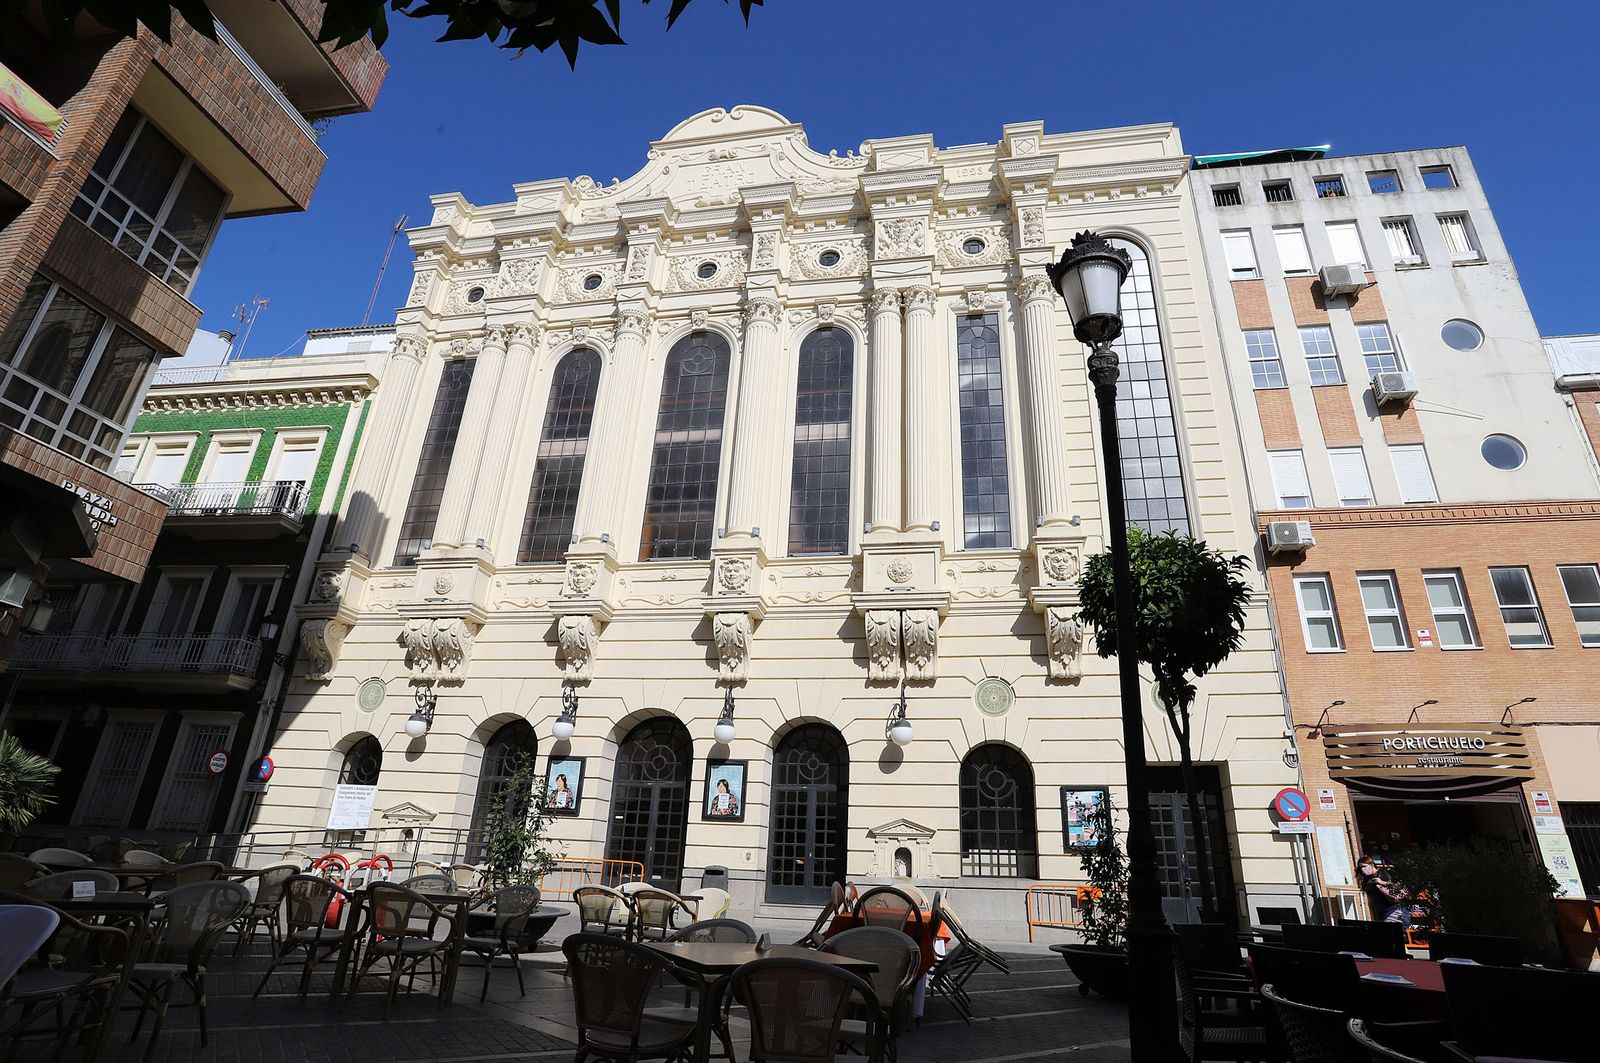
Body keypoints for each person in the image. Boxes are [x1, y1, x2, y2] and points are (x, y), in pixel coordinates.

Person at [1356, 854, 1411, 924]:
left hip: (1393, 910)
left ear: (1372, 864)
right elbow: (1371, 900)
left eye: (1364, 866)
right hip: (1380, 913)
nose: (1363, 869)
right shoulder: (1367, 880)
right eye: (1360, 868)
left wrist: (1382, 882)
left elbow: (1398, 887)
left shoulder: (1384, 873)